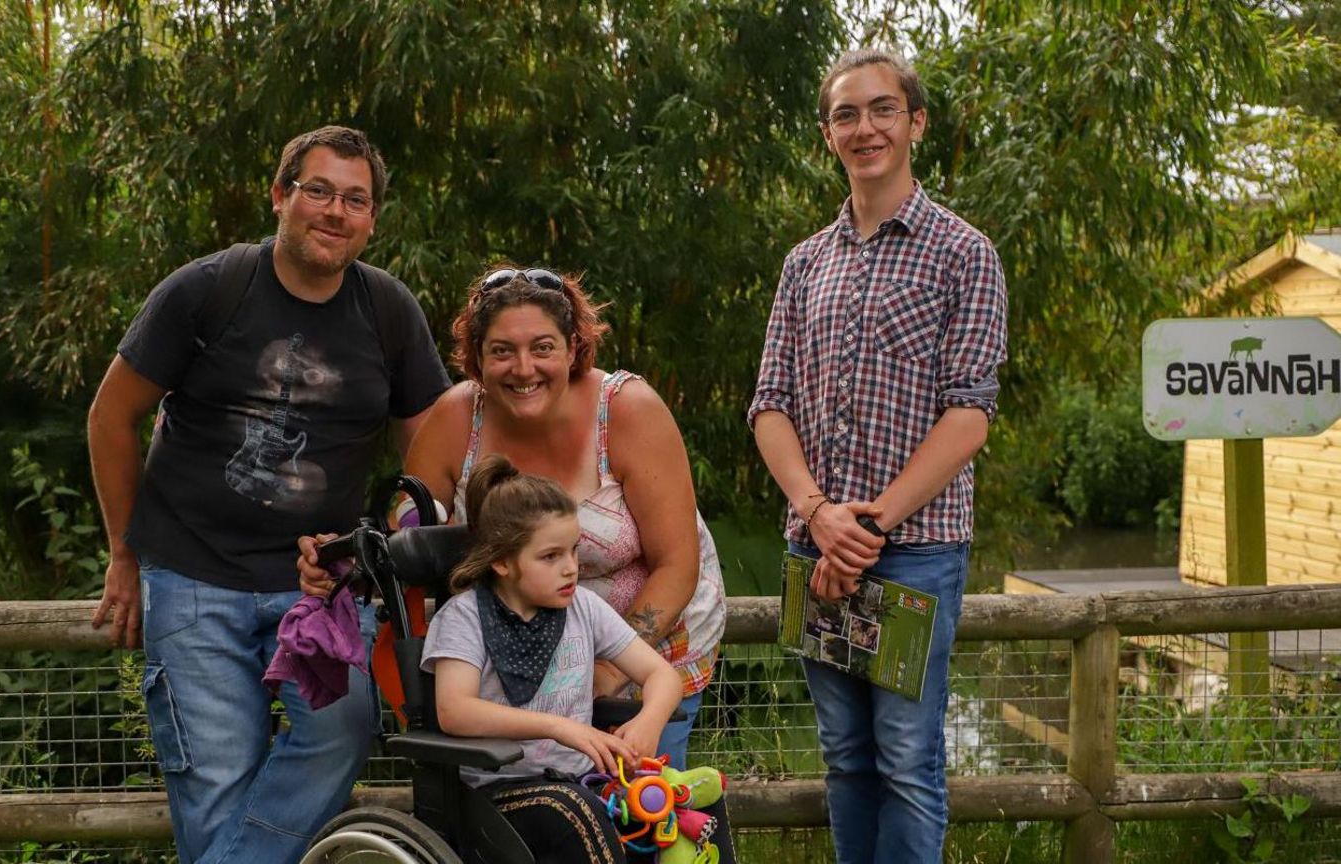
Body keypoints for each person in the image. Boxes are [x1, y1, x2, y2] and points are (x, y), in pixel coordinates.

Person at [87, 126, 451, 864]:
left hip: (323, 585)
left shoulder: (388, 311)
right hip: (191, 576)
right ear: (281, 195)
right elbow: (109, 418)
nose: (335, 211)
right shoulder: (205, 290)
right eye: (318, 190)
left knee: (343, 734)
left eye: (355, 199)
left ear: (372, 218)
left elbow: (431, 455)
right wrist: (124, 554)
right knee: (213, 780)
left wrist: (396, 550)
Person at [747, 49, 1008, 864]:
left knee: (906, 762)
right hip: (816, 546)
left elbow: (970, 416)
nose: (866, 128)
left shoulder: (964, 254)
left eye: (882, 110)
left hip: (916, 553)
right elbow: (769, 406)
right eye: (847, 115)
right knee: (846, 760)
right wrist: (822, 518)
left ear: (915, 123)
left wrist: (867, 528)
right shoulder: (804, 263)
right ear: (829, 134)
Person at [387, 264, 726, 768]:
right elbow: (408, 527)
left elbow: (677, 564)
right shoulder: (457, 417)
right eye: (502, 351)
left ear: (573, 348)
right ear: (477, 359)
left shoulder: (628, 410)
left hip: (641, 651)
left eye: (542, 348)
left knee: (640, 809)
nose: (524, 369)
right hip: (516, 661)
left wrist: (607, 670)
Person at [422, 454, 682, 864]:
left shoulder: (583, 608)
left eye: (574, 551)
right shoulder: (464, 618)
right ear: (503, 561)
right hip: (498, 791)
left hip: (581, 780)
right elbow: (454, 710)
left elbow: (662, 675)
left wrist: (649, 721)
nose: (571, 569)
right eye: (551, 557)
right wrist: (558, 727)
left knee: (679, 804)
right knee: (576, 811)